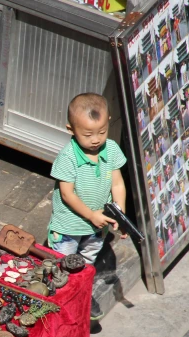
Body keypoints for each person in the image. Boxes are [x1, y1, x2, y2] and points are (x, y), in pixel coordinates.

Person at [48, 93, 128, 321]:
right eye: (87, 134)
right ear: (71, 129)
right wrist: (90, 215)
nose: (96, 139)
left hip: (97, 225)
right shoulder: (68, 157)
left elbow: (117, 182)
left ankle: (81, 294)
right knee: (61, 264)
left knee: (87, 261)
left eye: (101, 132)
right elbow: (67, 193)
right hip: (68, 226)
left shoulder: (111, 149)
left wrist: (119, 213)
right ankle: (58, 300)